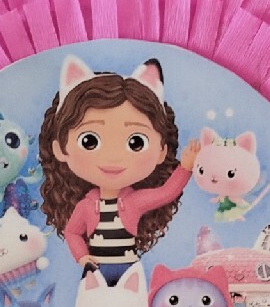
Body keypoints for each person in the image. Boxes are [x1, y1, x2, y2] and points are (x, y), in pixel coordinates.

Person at [39, 55, 199, 284]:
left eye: (136, 142)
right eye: (89, 141)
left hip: (129, 270)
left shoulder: (135, 202)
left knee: (132, 303)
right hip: (96, 270)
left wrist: (185, 167)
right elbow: (72, 232)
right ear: (59, 149)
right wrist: (82, 257)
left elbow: (167, 193)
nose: (113, 157)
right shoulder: (86, 206)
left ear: (161, 152)